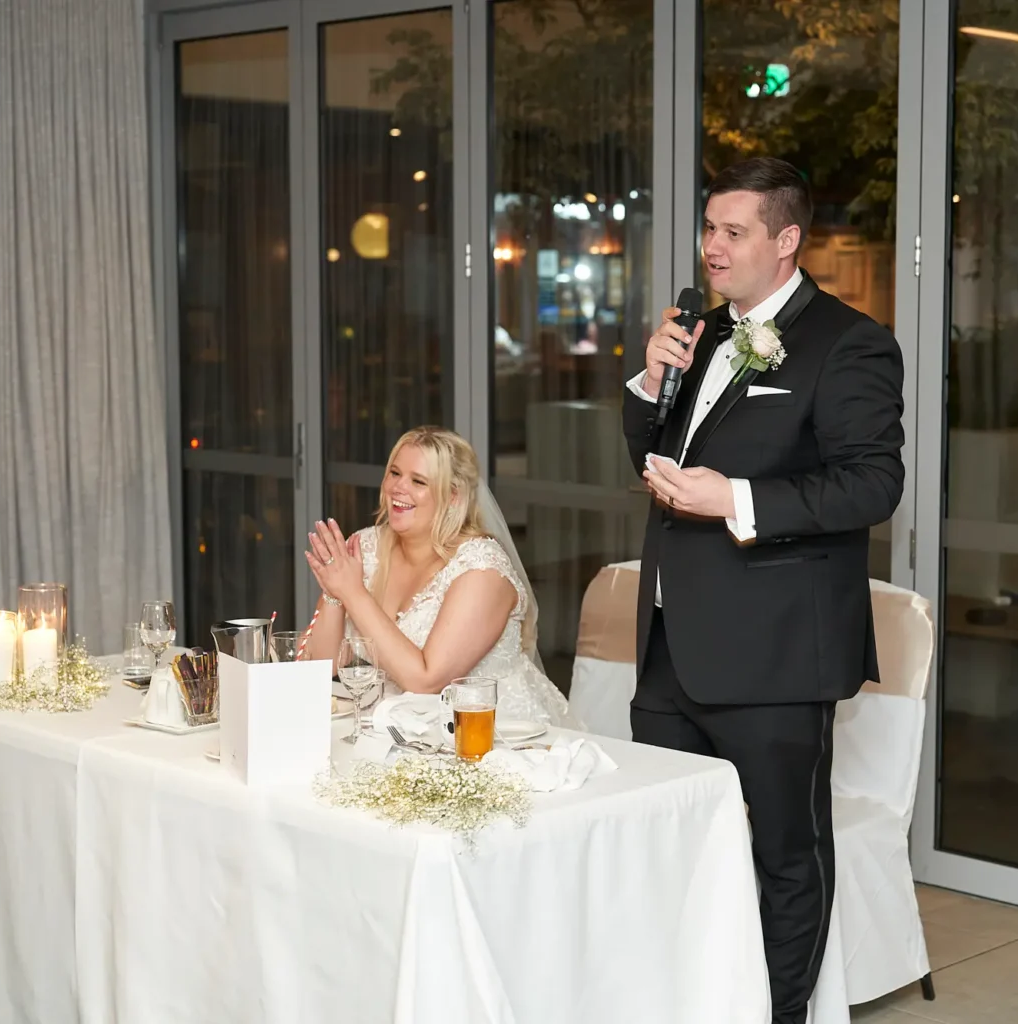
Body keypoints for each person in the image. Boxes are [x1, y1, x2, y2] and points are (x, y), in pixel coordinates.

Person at [623, 157, 904, 1023]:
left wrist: (736, 499)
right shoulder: (699, 331)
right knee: (670, 848)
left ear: (786, 241)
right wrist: (650, 383)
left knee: (786, 856)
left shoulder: (848, 342)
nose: (712, 247)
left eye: (733, 232)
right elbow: (653, 456)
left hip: (775, 649)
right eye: (709, 228)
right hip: (670, 646)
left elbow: (872, 485)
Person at [299, 426, 575, 728]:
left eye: (418, 481)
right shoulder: (366, 547)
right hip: (395, 728)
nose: (398, 487)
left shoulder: (482, 569)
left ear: (453, 496)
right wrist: (335, 592)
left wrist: (352, 593)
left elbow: (426, 681)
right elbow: (319, 666)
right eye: (394, 473)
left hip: (492, 733)